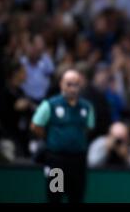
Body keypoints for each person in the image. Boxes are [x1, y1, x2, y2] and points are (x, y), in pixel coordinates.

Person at [30, 69, 95, 203]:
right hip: (57, 160)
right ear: (61, 84)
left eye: (76, 84)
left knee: (76, 197)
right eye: (69, 84)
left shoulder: (86, 107)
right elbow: (35, 125)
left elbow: (88, 128)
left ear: (80, 85)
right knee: (55, 197)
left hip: (78, 161)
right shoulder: (50, 105)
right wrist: (51, 138)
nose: (72, 88)